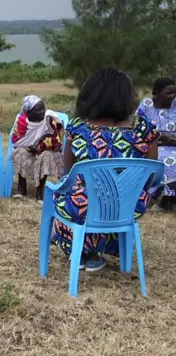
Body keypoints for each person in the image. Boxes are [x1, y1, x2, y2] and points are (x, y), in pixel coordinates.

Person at [52, 68, 159, 272]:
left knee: (66, 192)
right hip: (129, 206)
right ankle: (103, 248)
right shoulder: (145, 129)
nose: (136, 97)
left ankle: (83, 250)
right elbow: (152, 176)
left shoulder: (78, 128)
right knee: (107, 197)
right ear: (123, 97)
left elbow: (67, 171)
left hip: (83, 206)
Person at [11, 95, 64, 201]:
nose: (41, 112)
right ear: (28, 112)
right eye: (38, 110)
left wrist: (39, 147)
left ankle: (39, 192)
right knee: (20, 152)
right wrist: (29, 147)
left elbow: (54, 138)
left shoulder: (49, 118)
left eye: (42, 109)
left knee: (47, 155)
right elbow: (17, 141)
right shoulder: (21, 121)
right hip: (28, 148)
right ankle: (21, 189)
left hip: (48, 149)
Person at [136, 77, 176, 211]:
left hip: (174, 145)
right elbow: (138, 128)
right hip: (152, 146)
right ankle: (161, 197)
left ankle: (169, 198)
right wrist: (162, 136)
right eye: (168, 93)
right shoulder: (146, 105)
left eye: (174, 92)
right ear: (157, 92)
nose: (172, 96)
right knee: (167, 160)